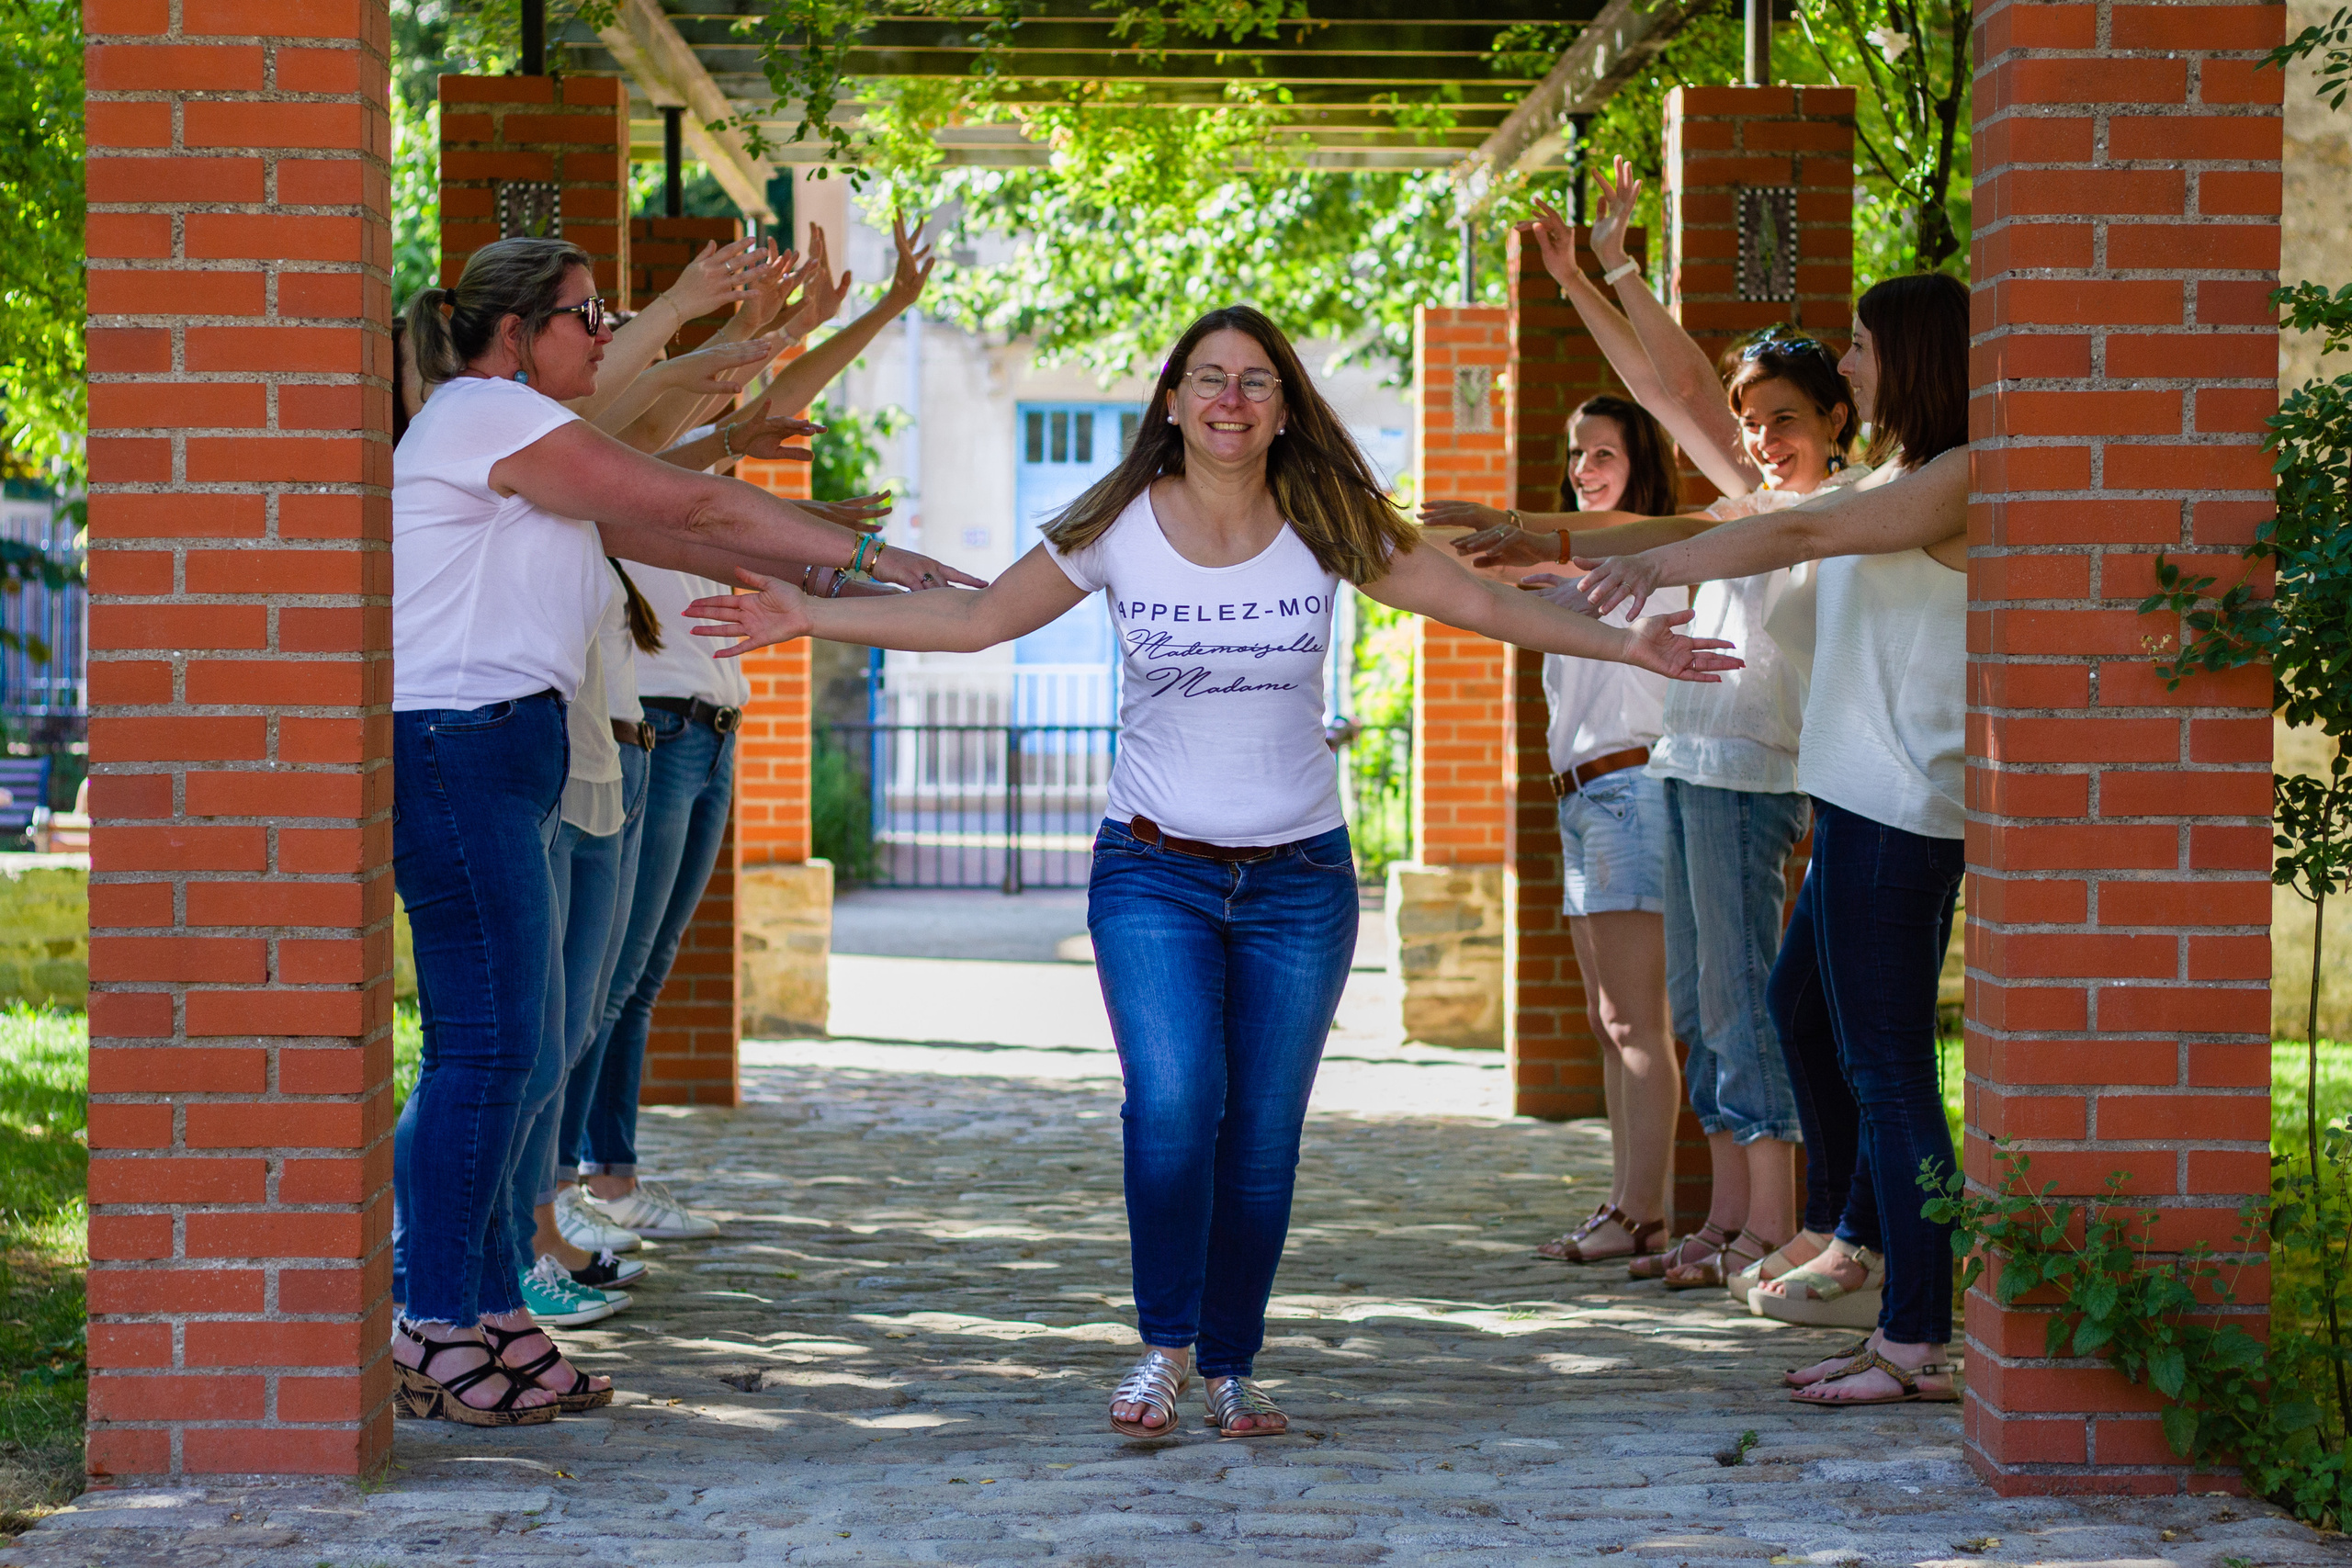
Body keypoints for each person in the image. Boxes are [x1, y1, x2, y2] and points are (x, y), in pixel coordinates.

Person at [685, 304, 1741, 1438]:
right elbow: (984, 616)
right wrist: (809, 610)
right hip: (1153, 872)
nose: (1230, 400)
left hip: (1298, 882)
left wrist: (1629, 643)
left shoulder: (1329, 521)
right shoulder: (1117, 524)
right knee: (1176, 1106)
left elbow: (1481, 605)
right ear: (1174, 400)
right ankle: (1163, 1348)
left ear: (1284, 405)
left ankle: (1233, 1362)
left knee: (1262, 1132)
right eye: (1208, 379)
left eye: (1253, 382)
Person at [388, 233, 975, 1426]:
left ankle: (493, 1302)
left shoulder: (532, 442)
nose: (606, 334)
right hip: (456, 746)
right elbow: (694, 496)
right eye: (586, 316)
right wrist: (872, 553)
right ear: (515, 336)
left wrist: (845, 586)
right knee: (488, 1046)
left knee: (524, 1043)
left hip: (503, 747)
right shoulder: (476, 415)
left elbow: (690, 535)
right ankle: (430, 1310)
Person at [1433, 174, 1873, 1298]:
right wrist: (1594, 276)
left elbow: (1667, 396)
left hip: (1754, 773)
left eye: (1785, 418)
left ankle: (1769, 1224)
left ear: (1836, 420)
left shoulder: (1837, 510)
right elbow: (1672, 392)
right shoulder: (1742, 503)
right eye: (1752, 422)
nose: (1759, 438)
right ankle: (1730, 1216)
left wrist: (1613, 273)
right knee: (1698, 1008)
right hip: (1690, 765)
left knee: (1737, 1004)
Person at [1571, 270, 1970, 1405]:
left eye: (1858, 345)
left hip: (1903, 808)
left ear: (1914, 353)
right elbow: (1729, 476)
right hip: (1850, 803)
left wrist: (1657, 564)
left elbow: (1791, 524)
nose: (1845, 362)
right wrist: (1540, 537)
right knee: (1803, 1015)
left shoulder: (1957, 477)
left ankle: (1912, 1336)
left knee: (1888, 1070)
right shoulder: (1899, 474)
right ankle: (1861, 1243)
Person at [566, 213, 943, 1247]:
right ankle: (566, 1194)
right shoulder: (625, 457)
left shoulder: (695, 462)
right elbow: (734, 400)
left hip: (707, 728)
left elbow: (770, 401)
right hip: (654, 728)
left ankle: (608, 1175)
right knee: (603, 975)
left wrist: (878, 311)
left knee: (639, 974)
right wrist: (757, 323)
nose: (724, 389)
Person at [1421, 392, 1689, 1270]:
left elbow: (1495, 570)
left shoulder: (1647, 555)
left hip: (1628, 790)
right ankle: (1624, 1202)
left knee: (1635, 1019)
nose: (1584, 471)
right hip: (1583, 797)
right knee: (1605, 1017)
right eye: (1576, 455)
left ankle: (1646, 1214)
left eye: (1603, 454)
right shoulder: (1570, 563)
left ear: (1640, 463)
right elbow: (1468, 571)